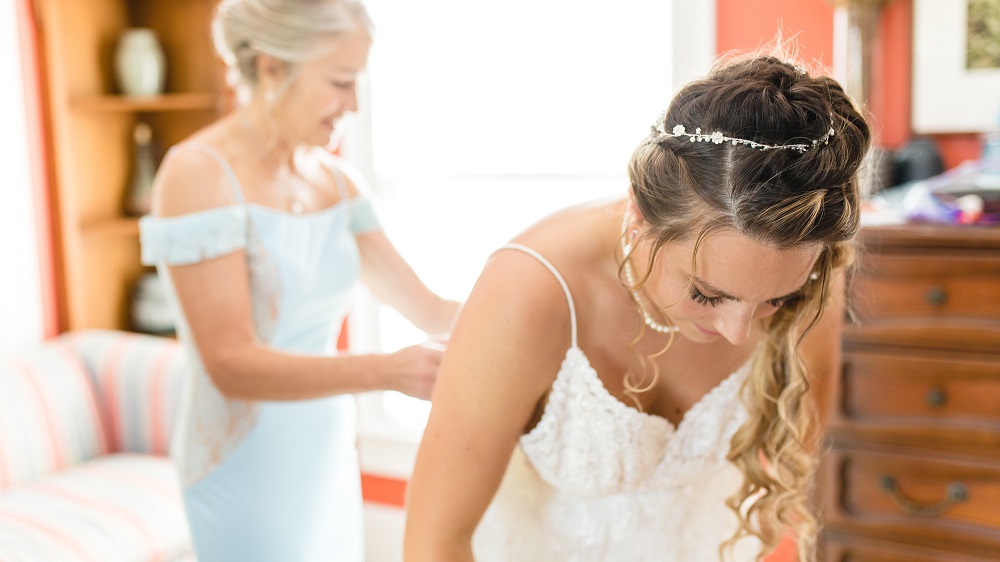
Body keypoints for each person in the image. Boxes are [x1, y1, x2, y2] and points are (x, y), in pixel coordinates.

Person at [403, 53, 872, 562]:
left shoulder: (812, 276)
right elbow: (435, 542)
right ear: (639, 216)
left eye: (776, 300)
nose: (739, 331)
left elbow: (785, 486)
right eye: (707, 294)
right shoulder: (530, 293)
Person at [138, 1, 460, 560]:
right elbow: (231, 364)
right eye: (340, 81)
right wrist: (388, 371)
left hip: (326, 447)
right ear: (270, 68)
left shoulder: (336, 182)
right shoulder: (197, 176)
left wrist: (545, 303)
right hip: (244, 463)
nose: (354, 105)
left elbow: (429, 309)